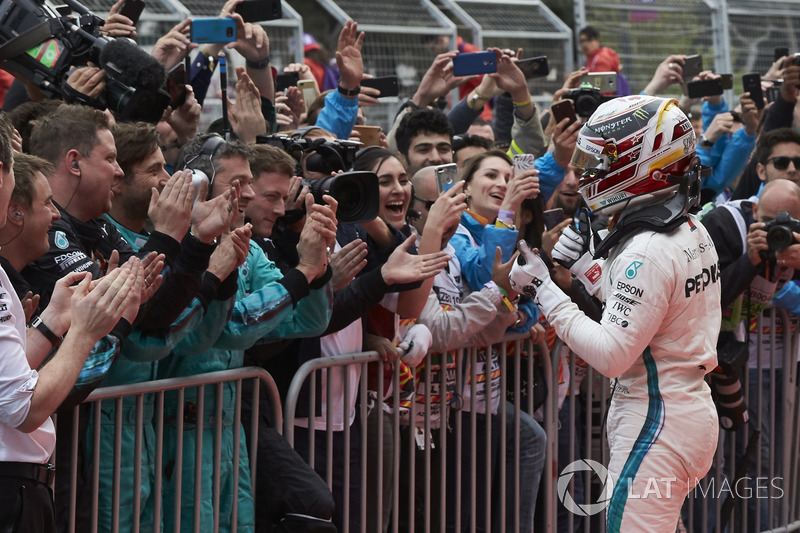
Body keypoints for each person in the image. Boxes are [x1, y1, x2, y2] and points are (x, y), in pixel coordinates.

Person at [511, 95, 720, 532]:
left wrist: (544, 290)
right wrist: (584, 264)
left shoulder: (646, 250)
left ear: (644, 161)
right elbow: (644, 307)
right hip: (684, 411)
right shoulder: (688, 225)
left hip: (656, 421)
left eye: (600, 160)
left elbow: (611, 355)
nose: (587, 173)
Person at [0, 126, 141, 532]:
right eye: (47, 203)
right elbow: (20, 407)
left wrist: (55, 319)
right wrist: (83, 333)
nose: (57, 214)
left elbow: (8, 379)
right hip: (11, 490)